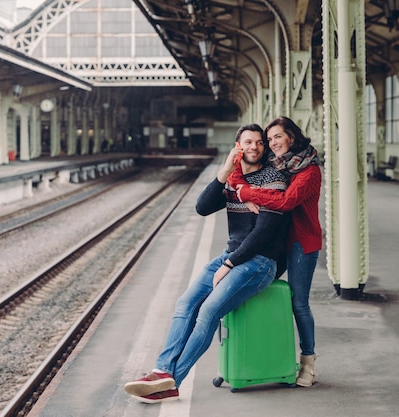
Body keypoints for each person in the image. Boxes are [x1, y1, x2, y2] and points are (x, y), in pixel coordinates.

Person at [123, 124, 291, 403]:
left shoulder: (274, 178)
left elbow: (264, 234)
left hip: (260, 262)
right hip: (231, 257)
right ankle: (161, 371)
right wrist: (224, 172)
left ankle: (171, 382)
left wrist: (229, 265)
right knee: (185, 303)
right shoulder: (234, 181)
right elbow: (202, 207)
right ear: (238, 146)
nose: (254, 147)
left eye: (260, 142)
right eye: (248, 142)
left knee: (209, 310)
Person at [230, 116, 322, 387]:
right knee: (252, 289)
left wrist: (249, 193)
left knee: (299, 302)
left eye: (277, 137)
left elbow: (284, 201)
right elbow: (239, 175)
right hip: (276, 241)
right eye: (269, 140)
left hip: (300, 243)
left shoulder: (309, 171)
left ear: (291, 138)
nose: (272, 143)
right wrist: (238, 178)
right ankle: (258, 357)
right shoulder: (276, 166)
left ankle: (308, 363)